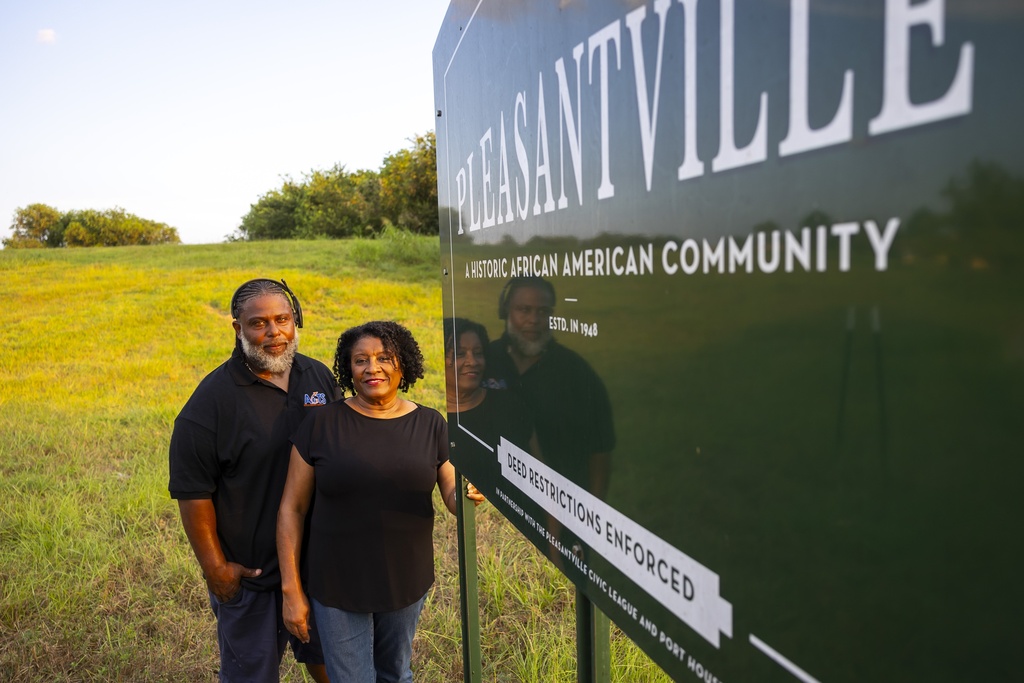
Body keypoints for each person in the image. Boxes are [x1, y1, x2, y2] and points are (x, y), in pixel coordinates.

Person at [277, 320, 484, 683]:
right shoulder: (321, 425)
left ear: (402, 364)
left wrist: (468, 493)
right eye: (361, 360)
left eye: (384, 358)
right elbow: (291, 509)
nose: (373, 368)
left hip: (405, 578)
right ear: (348, 369)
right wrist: (291, 589)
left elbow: (451, 491)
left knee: (396, 673)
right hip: (337, 581)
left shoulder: (431, 424)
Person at [168, 278, 338, 683]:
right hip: (253, 574)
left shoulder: (316, 376)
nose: (274, 332)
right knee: (252, 675)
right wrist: (215, 568)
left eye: (282, 319)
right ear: (238, 328)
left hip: (320, 564)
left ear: (296, 320)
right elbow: (193, 493)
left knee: (333, 667)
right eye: (258, 323)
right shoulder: (211, 403)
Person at [484, 276, 615, 496]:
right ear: (505, 311)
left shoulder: (577, 372)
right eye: (524, 310)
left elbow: (600, 449)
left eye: (543, 312)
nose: (534, 319)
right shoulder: (488, 359)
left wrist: (594, 508)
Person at [444, 316, 536, 471]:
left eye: (478, 353)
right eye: (459, 354)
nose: (472, 362)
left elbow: (537, 465)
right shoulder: (431, 419)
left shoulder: (510, 407)